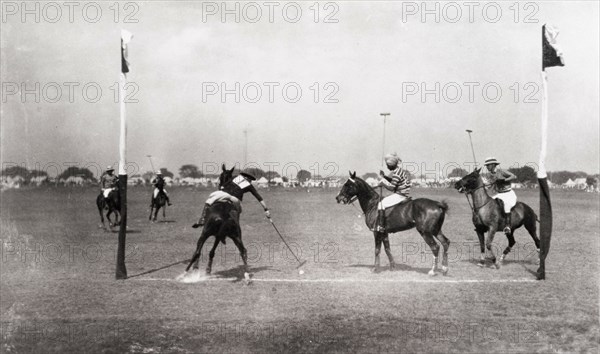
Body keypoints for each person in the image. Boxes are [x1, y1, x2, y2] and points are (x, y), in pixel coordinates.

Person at [193, 171, 270, 228]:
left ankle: (202, 219)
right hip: (235, 199)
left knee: (209, 200)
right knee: (239, 210)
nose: (250, 181)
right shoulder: (249, 185)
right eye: (250, 180)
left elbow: (222, 186)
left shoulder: (235, 178)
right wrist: (266, 209)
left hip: (223, 194)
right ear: (248, 178)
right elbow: (259, 198)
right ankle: (235, 226)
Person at [376, 153, 411, 233]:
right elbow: (393, 181)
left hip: (400, 195)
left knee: (381, 204)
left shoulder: (396, 173)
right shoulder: (399, 170)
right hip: (403, 193)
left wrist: (382, 183)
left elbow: (392, 188)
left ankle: (381, 226)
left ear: (391, 165)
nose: (387, 167)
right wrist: (384, 177)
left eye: (387, 165)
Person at [482, 157, 517, 234]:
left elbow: (514, 176)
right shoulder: (490, 175)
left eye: (488, 165)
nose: (487, 167)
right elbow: (490, 186)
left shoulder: (501, 171)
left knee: (506, 206)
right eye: (486, 165)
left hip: (509, 194)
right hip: (499, 194)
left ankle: (508, 226)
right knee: (488, 203)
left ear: (493, 165)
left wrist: (504, 180)